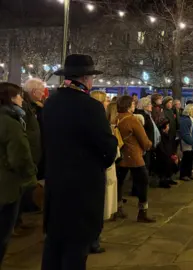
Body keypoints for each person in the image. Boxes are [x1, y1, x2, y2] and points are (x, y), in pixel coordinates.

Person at [42, 54, 117, 270]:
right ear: (85, 78)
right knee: (76, 246)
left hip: (56, 182)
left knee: (54, 242)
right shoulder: (90, 107)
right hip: (82, 187)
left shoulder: (51, 103)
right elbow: (107, 147)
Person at [0, 83, 37, 268]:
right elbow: (19, 157)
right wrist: (30, 176)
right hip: (7, 187)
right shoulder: (10, 123)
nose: (22, 99)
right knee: (2, 234)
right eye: (19, 96)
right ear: (11, 98)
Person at [115, 95, 155, 223]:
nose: (134, 106)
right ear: (128, 105)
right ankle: (142, 212)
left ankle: (117, 208)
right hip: (134, 156)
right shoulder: (132, 120)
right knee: (143, 182)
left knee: (119, 183)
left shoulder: (116, 118)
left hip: (120, 157)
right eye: (133, 104)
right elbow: (143, 139)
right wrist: (149, 145)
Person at [14, 78, 45, 234]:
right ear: (34, 92)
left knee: (23, 190)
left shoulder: (32, 107)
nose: (43, 94)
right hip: (27, 154)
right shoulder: (24, 108)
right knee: (18, 190)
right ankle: (14, 224)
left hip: (32, 153)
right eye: (41, 91)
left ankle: (17, 221)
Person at [88, 91, 117, 254]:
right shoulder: (99, 119)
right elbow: (107, 144)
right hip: (98, 166)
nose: (108, 102)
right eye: (105, 100)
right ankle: (94, 240)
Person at [137, 97, 165, 187]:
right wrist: (148, 143)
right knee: (144, 166)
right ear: (144, 105)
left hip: (149, 144)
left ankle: (143, 184)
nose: (151, 106)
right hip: (145, 145)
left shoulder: (148, 115)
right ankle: (141, 186)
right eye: (149, 104)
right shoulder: (142, 116)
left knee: (147, 165)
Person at [153, 119, 179, 185]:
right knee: (167, 162)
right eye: (167, 126)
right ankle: (163, 180)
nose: (168, 127)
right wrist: (169, 156)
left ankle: (169, 178)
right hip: (163, 156)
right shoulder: (161, 136)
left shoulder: (168, 135)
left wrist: (174, 154)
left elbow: (171, 146)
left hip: (168, 154)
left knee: (175, 161)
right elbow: (161, 149)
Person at [179, 104, 193, 181]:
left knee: (190, 160)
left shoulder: (191, 119)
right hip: (188, 144)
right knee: (186, 159)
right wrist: (192, 142)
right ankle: (183, 175)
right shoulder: (186, 120)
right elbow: (185, 134)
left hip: (192, 143)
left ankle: (188, 174)